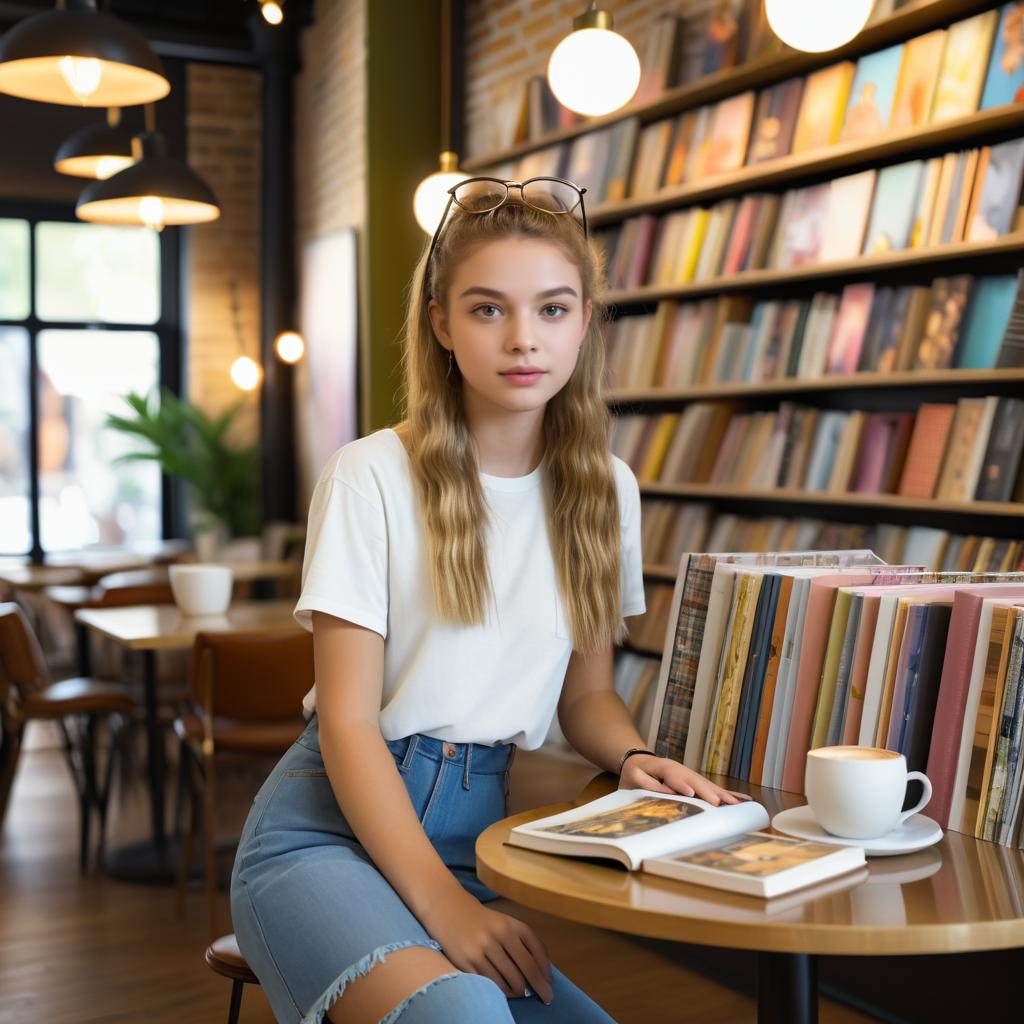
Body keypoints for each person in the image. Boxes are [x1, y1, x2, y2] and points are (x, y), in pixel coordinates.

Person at [230, 176, 740, 1024]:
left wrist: (628, 757)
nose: (522, 340)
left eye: (551, 309)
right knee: (464, 1013)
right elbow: (351, 724)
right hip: (323, 834)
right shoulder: (371, 475)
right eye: (487, 309)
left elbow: (586, 695)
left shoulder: (606, 489)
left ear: (584, 319)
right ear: (441, 324)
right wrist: (446, 908)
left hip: (471, 836)